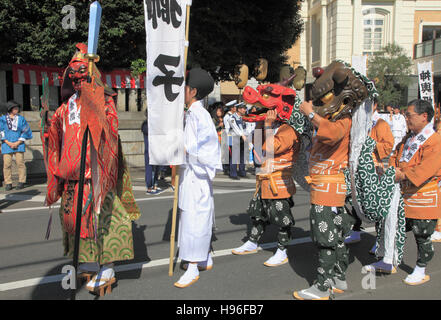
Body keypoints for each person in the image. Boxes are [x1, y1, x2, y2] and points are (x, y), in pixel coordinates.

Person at [42, 43, 141, 295]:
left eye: (82, 76)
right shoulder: (64, 109)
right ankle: (88, 263)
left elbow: (111, 133)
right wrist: (48, 128)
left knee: (102, 223)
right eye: (72, 77)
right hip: (72, 178)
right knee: (75, 225)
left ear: (92, 76)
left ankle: (107, 268)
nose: (77, 81)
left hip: (96, 178)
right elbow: (55, 139)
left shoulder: (104, 102)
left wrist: (93, 108)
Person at [365, 99, 441, 285]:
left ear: (424, 117)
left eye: (409, 115)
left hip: (422, 195)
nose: (405, 118)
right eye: (406, 115)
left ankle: (421, 268)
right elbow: (395, 156)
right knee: (390, 226)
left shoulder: (435, 140)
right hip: (402, 193)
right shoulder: (408, 138)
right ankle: (387, 261)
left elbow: (425, 169)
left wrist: (400, 174)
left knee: (422, 235)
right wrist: (390, 169)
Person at [293, 100, 355, 300]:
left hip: (328, 190)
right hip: (325, 188)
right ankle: (338, 278)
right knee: (334, 235)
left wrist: (311, 114)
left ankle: (322, 286)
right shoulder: (334, 119)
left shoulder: (343, 120)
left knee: (325, 238)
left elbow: (331, 133)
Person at [231, 107, 301, 267]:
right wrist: (259, 124)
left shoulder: (287, 130)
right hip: (263, 179)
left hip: (279, 181)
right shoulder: (267, 127)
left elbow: (271, 148)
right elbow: (257, 146)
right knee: (257, 214)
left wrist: (268, 126)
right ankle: (252, 242)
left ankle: (282, 250)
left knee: (282, 218)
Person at [174, 68, 221, 288]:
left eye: (185, 87)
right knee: (193, 219)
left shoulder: (199, 114)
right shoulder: (192, 112)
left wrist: (184, 150)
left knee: (194, 221)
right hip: (190, 174)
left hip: (197, 175)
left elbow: (209, 148)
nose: (182, 90)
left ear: (192, 91)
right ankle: (204, 258)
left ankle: (193, 267)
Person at [345, 98, 394, 245]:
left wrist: (370, 145)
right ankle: (355, 230)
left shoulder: (380, 123)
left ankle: (379, 239)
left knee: (375, 202)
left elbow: (388, 144)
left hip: (373, 167)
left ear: (375, 105)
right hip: (356, 166)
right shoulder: (358, 121)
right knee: (356, 199)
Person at [0, 100, 33, 190]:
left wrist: (18, 142)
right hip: (6, 144)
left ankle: (21, 181)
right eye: (15, 108)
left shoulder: (21, 119)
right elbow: (1, 131)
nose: (17, 109)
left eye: (17, 108)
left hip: (19, 143)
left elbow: (26, 130)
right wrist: (8, 142)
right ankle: (8, 182)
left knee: (20, 163)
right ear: (10, 109)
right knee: (7, 164)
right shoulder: (2, 119)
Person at [141, 112, 163, 195]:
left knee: (155, 167)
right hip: (151, 149)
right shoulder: (147, 125)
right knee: (151, 167)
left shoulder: (148, 124)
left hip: (153, 148)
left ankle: (154, 185)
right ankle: (150, 187)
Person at [228, 102, 248, 179]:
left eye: (245, 108)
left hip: (243, 139)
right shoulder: (232, 118)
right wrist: (242, 135)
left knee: (242, 156)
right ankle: (233, 174)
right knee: (234, 156)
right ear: (239, 109)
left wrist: (246, 135)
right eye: (243, 108)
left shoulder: (243, 118)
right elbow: (235, 128)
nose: (245, 110)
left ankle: (242, 172)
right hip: (235, 138)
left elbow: (245, 128)